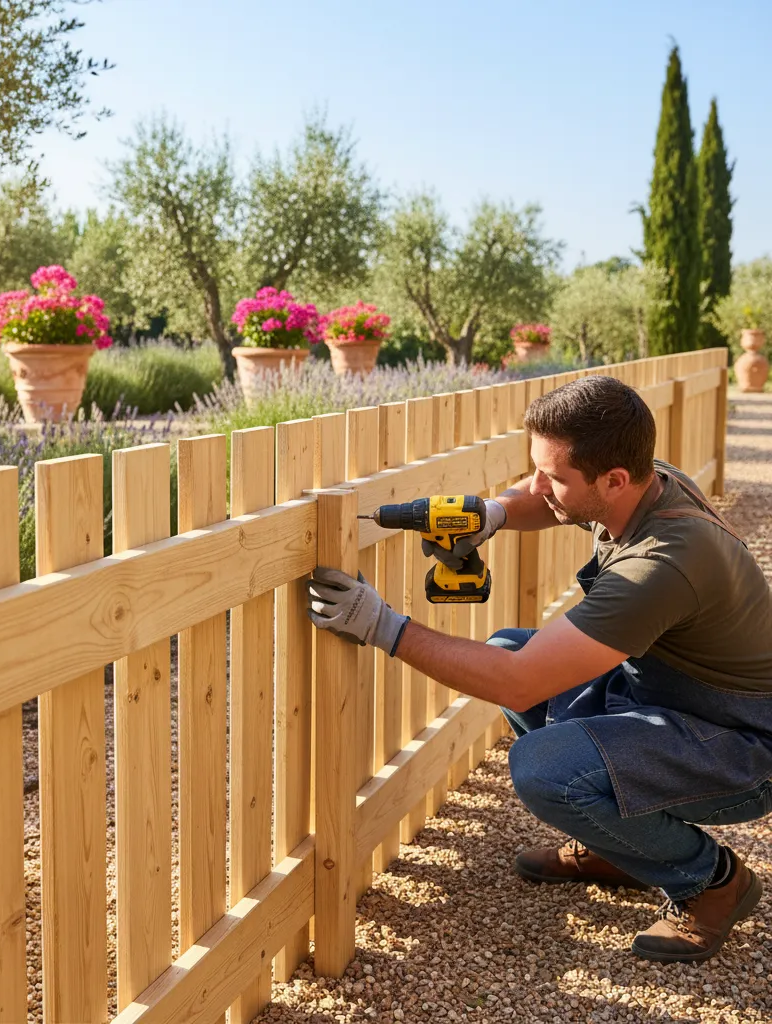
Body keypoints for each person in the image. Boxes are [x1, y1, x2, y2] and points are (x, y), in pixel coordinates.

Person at [306, 375, 772, 964]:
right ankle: (624, 845)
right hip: (672, 699)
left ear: (614, 480)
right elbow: (548, 504)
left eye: (553, 476)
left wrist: (382, 627)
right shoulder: (647, 480)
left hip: (743, 744)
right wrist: (494, 514)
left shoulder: (663, 564)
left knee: (545, 767)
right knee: (505, 645)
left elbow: (518, 681)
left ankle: (713, 882)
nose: (538, 485)